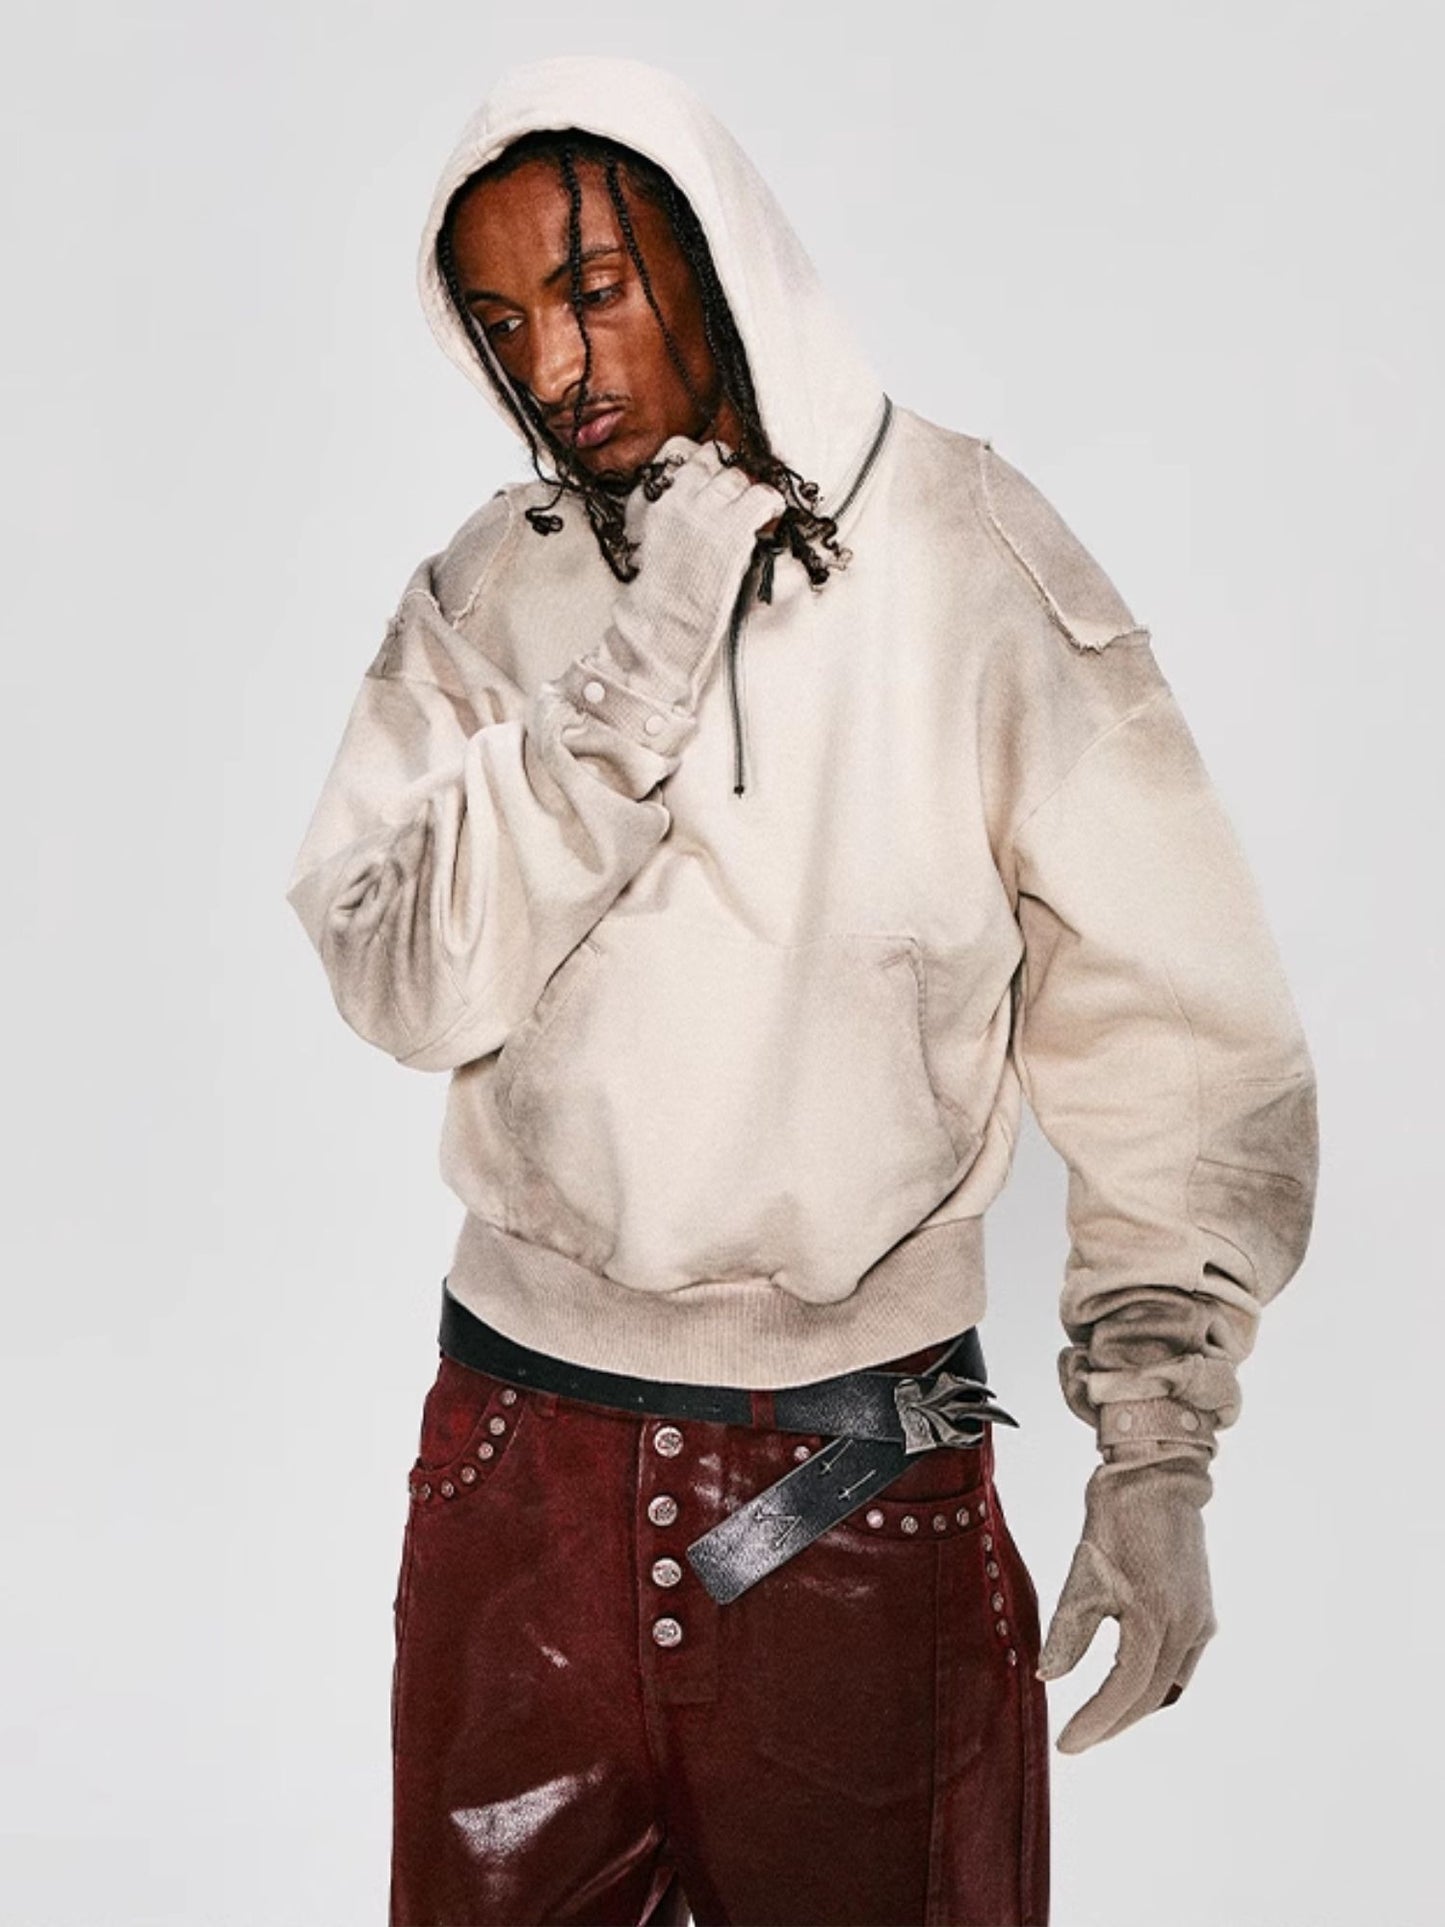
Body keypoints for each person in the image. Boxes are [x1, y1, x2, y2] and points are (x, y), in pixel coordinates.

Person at [284, 52, 1319, 1927]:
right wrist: (645, 657)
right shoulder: (494, 591)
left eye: (594, 288)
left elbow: (1175, 1026)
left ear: (710, 256)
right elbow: (399, 976)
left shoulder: (965, 554)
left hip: (855, 1470)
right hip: (519, 1465)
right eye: (504, 322)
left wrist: (1155, 1460)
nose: (556, 367)